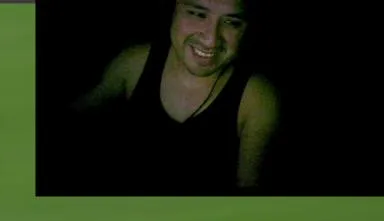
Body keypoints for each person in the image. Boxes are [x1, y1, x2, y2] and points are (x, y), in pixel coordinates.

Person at [70, 0, 279, 193]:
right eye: (197, 14)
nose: (211, 40)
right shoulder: (134, 63)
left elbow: (249, 190)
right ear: (172, 11)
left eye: (232, 22)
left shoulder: (257, 99)